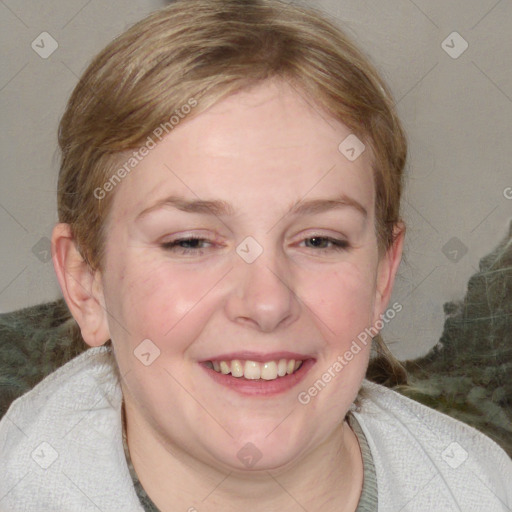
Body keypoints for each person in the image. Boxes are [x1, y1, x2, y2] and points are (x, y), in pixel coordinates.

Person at [1, 0, 510, 510]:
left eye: (319, 241)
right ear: (86, 283)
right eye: (191, 242)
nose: (267, 303)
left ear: (381, 278)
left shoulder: (484, 489)